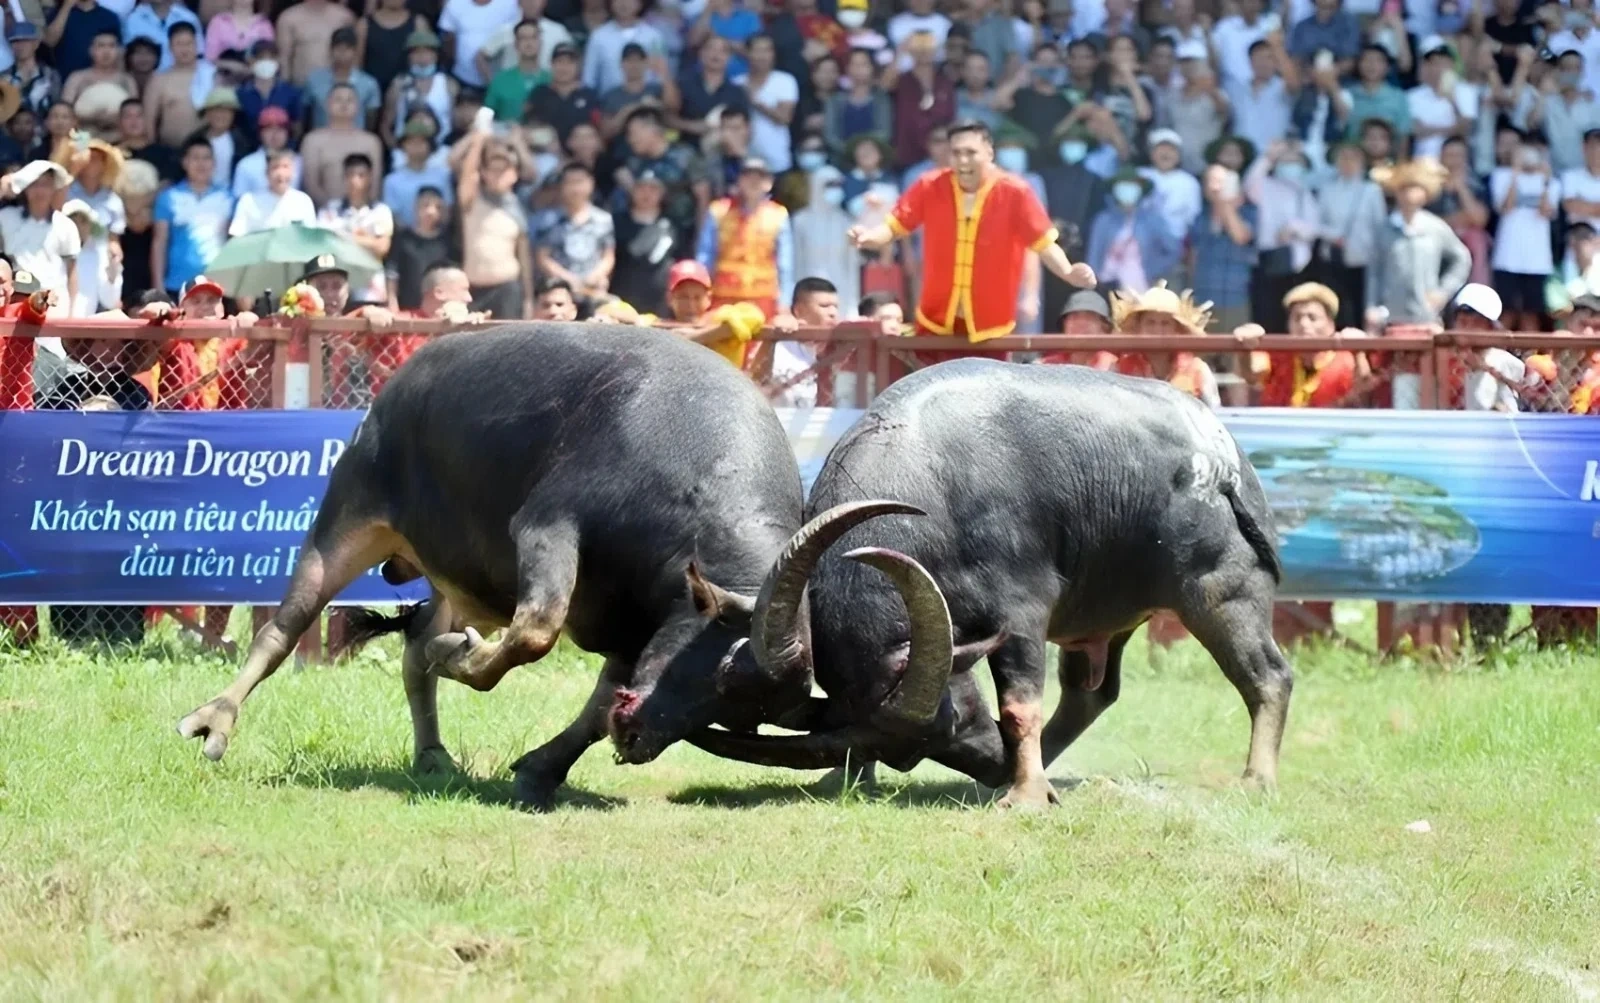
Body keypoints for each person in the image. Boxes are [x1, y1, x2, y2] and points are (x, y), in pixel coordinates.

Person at [849, 119, 1095, 363]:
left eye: (971, 153)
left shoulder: (1015, 191)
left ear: (989, 153)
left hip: (990, 328)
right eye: (956, 153)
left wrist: (1067, 271)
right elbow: (894, 225)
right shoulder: (929, 184)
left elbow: (1043, 243)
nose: (963, 161)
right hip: (937, 322)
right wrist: (869, 237)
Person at [696, 156, 793, 330]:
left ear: (768, 183)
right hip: (722, 295)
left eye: (760, 178)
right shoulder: (719, 210)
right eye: (748, 177)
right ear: (739, 180)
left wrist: (785, 301)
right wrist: (701, 292)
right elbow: (705, 256)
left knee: (758, 352)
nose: (753, 182)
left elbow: (785, 263)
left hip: (764, 298)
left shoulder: (778, 215)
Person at [458, 127, 533, 319]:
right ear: (484, 173)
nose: (498, 174)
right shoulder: (473, 201)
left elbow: (524, 257)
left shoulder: (518, 208)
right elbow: (467, 175)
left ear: (514, 174)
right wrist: (478, 142)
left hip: (507, 288)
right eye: (494, 169)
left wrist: (528, 299)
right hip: (473, 290)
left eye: (504, 170)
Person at [151, 137, 233, 297]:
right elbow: (159, 242)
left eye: (206, 158)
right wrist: (158, 285)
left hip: (218, 285)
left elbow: (234, 243)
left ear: (214, 163)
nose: (201, 164)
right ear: (185, 162)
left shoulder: (228, 198)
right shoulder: (169, 197)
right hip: (177, 284)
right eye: (195, 158)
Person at [0, 160, 80, 313]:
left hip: (55, 304)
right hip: (16, 302)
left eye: (45, 185)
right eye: (34, 184)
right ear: (26, 188)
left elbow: (72, 273)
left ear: (53, 188)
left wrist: (72, 312)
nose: (40, 191)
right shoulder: (5, 219)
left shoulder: (65, 225)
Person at [534, 162, 613, 311]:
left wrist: (596, 276)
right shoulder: (548, 219)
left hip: (593, 291)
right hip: (559, 294)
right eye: (570, 182)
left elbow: (608, 256)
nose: (575, 188)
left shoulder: (604, 219)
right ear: (561, 186)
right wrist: (568, 279)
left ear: (591, 184)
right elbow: (542, 257)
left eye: (580, 182)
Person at [317, 153, 392, 305]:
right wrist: (366, 241)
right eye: (350, 175)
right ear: (343, 178)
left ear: (370, 178)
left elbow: (382, 247)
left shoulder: (380, 211)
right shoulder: (329, 210)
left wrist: (344, 237)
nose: (354, 180)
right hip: (335, 287)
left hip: (370, 288)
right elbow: (322, 244)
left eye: (361, 175)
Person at [609, 168, 680, 316]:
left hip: (660, 306)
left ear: (663, 193)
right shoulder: (615, 222)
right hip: (622, 303)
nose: (646, 193)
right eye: (641, 187)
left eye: (653, 188)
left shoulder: (675, 226)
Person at [302, 83, 383, 205]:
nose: (344, 104)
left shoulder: (371, 142)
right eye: (338, 99)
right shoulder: (313, 140)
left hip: (364, 213)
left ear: (358, 106)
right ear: (327, 104)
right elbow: (311, 184)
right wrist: (333, 210)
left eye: (350, 100)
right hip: (326, 213)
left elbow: (375, 185)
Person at [144, 22, 211, 148]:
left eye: (189, 43)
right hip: (170, 151)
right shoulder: (159, 80)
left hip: (205, 152)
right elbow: (149, 122)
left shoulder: (211, 75)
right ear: (170, 47)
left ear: (197, 45)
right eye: (179, 44)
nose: (184, 49)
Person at [386, 186, 454, 310]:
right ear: (416, 207)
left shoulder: (447, 241)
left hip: (439, 310)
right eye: (426, 205)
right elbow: (392, 273)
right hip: (407, 307)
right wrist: (392, 300)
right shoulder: (403, 238)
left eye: (437, 207)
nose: (431, 211)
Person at [305, 27, 382, 131]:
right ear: (330, 50)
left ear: (355, 51)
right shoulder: (314, 80)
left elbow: (371, 121)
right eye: (338, 48)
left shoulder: (369, 83)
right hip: (321, 139)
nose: (342, 53)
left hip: (357, 141)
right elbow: (306, 116)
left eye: (347, 49)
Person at [230, 149, 315, 234]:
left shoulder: (303, 201)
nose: (280, 173)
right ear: (266, 172)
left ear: (293, 172)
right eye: (275, 167)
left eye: (285, 167)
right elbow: (237, 234)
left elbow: (310, 238)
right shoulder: (249, 201)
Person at [277, 0, 355, 86]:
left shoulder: (344, 17)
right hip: (301, 87)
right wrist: (284, 87)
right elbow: (284, 58)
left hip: (338, 88)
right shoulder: (288, 18)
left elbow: (354, 55)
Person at [231, 106, 302, 198]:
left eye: (280, 128)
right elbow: (239, 199)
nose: (274, 134)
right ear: (260, 133)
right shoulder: (246, 164)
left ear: (288, 133)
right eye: (269, 129)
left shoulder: (299, 162)